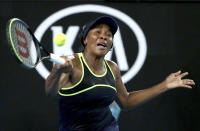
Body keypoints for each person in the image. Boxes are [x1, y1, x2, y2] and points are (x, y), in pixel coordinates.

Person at [45, 16, 195, 131]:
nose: (103, 36)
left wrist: (165, 85)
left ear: (110, 45)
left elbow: (126, 101)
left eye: (108, 35)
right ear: (85, 40)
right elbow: (50, 93)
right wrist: (55, 72)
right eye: (97, 32)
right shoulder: (73, 65)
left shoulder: (113, 67)